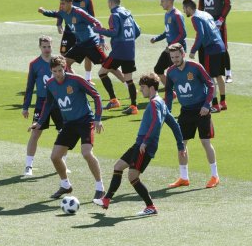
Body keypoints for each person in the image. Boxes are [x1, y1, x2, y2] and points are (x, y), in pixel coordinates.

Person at [93, 73, 185, 216]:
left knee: (132, 176)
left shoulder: (155, 103)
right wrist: (180, 145)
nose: (141, 90)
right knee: (118, 166)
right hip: (140, 143)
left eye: (143, 87)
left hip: (145, 145)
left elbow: (156, 122)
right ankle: (106, 199)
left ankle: (150, 206)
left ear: (151, 88)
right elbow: (174, 124)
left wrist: (146, 141)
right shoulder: (160, 102)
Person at [29, 55, 105, 200]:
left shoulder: (76, 80)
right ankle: (65, 185)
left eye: (60, 70)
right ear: (51, 71)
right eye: (55, 71)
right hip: (69, 124)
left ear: (64, 68)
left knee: (87, 153)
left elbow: (96, 95)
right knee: (55, 156)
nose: (58, 74)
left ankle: (100, 187)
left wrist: (98, 118)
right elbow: (48, 103)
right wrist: (39, 122)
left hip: (85, 121)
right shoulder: (50, 84)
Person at [165, 43, 220, 188]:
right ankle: (184, 177)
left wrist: (207, 105)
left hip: (202, 110)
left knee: (205, 142)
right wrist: (167, 111)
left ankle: (215, 176)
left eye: (177, 56)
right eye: (172, 57)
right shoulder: (170, 72)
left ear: (183, 54)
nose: (175, 60)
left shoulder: (195, 67)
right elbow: (169, 93)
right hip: (186, 111)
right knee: (181, 144)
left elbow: (211, 85)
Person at [22, 36, 67, 176]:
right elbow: (29, 86)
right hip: (42, 102)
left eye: (49, 46)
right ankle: (28, 166)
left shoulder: (58, 62)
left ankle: (63, 163)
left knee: (64, 133)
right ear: (40, 47)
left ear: (52, 46)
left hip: (59, 102)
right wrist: (25, 106)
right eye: (44, 47)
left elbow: (68, 78)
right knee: (35, 132)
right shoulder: (35, 64)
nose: (47, 49)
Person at [94, 0, 141, 115]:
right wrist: (128, 40)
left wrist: (97, 30)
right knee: (128, 79)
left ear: (110, 3)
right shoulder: (128, 14)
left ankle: (114, 100)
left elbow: (114, 32)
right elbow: (138, 31)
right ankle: (134, 106)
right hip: (130, 51)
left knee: (102, 73)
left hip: (118, 51)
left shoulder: (114, 15)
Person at [38, 0, 108, 74]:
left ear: (70, 3)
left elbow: (97, 23)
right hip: (80, 44)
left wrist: (102, 40)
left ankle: (126, 82)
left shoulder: (79, 12)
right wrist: (43, 11)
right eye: (60, 3)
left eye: (63, 3)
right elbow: (54, 13)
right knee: (65, 63)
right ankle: (77, 83)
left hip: (90, 43)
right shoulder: (63, 12)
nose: (61, 5)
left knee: (108, 66)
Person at [183, 0, 226, 113]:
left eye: (184, 8)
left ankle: (215, 105)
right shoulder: (205, 13)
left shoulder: (195, 18)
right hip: (220, 46)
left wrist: (193, 50)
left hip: (211, 48)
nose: (184, 11)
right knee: (219, 75)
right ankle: (223, 101)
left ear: (188, 8)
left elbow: (200, 35)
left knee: (210, 77)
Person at [57, 0, 96, 84]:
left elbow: (92, 16)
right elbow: (60, 11)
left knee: (88, 54)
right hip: (69, 31)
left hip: (83, 33)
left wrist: (94, 30)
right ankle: (72, 78)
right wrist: (59, 24)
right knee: (63, 54)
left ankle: (88, 79)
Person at [198, 0, 232, 83]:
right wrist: (199, 17)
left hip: (218, 21)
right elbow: (201, 4)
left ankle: (228, 73)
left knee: (223, 47)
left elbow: (228, 4)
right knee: (205, 45)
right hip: (207, 21)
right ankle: (206, 72)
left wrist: (221, 20)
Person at [150, 0, 187, 87]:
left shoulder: (177, 15)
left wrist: (171, 46)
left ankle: (180, 90)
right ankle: (171, 89)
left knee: (176, 72)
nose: (160, 3)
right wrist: (156, 39)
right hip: (170, 47)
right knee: (158, 69)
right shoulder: (167, 14)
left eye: (162, 1)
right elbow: (167, 32)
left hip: (177, 48)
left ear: (169, 2)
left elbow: (183, 34)